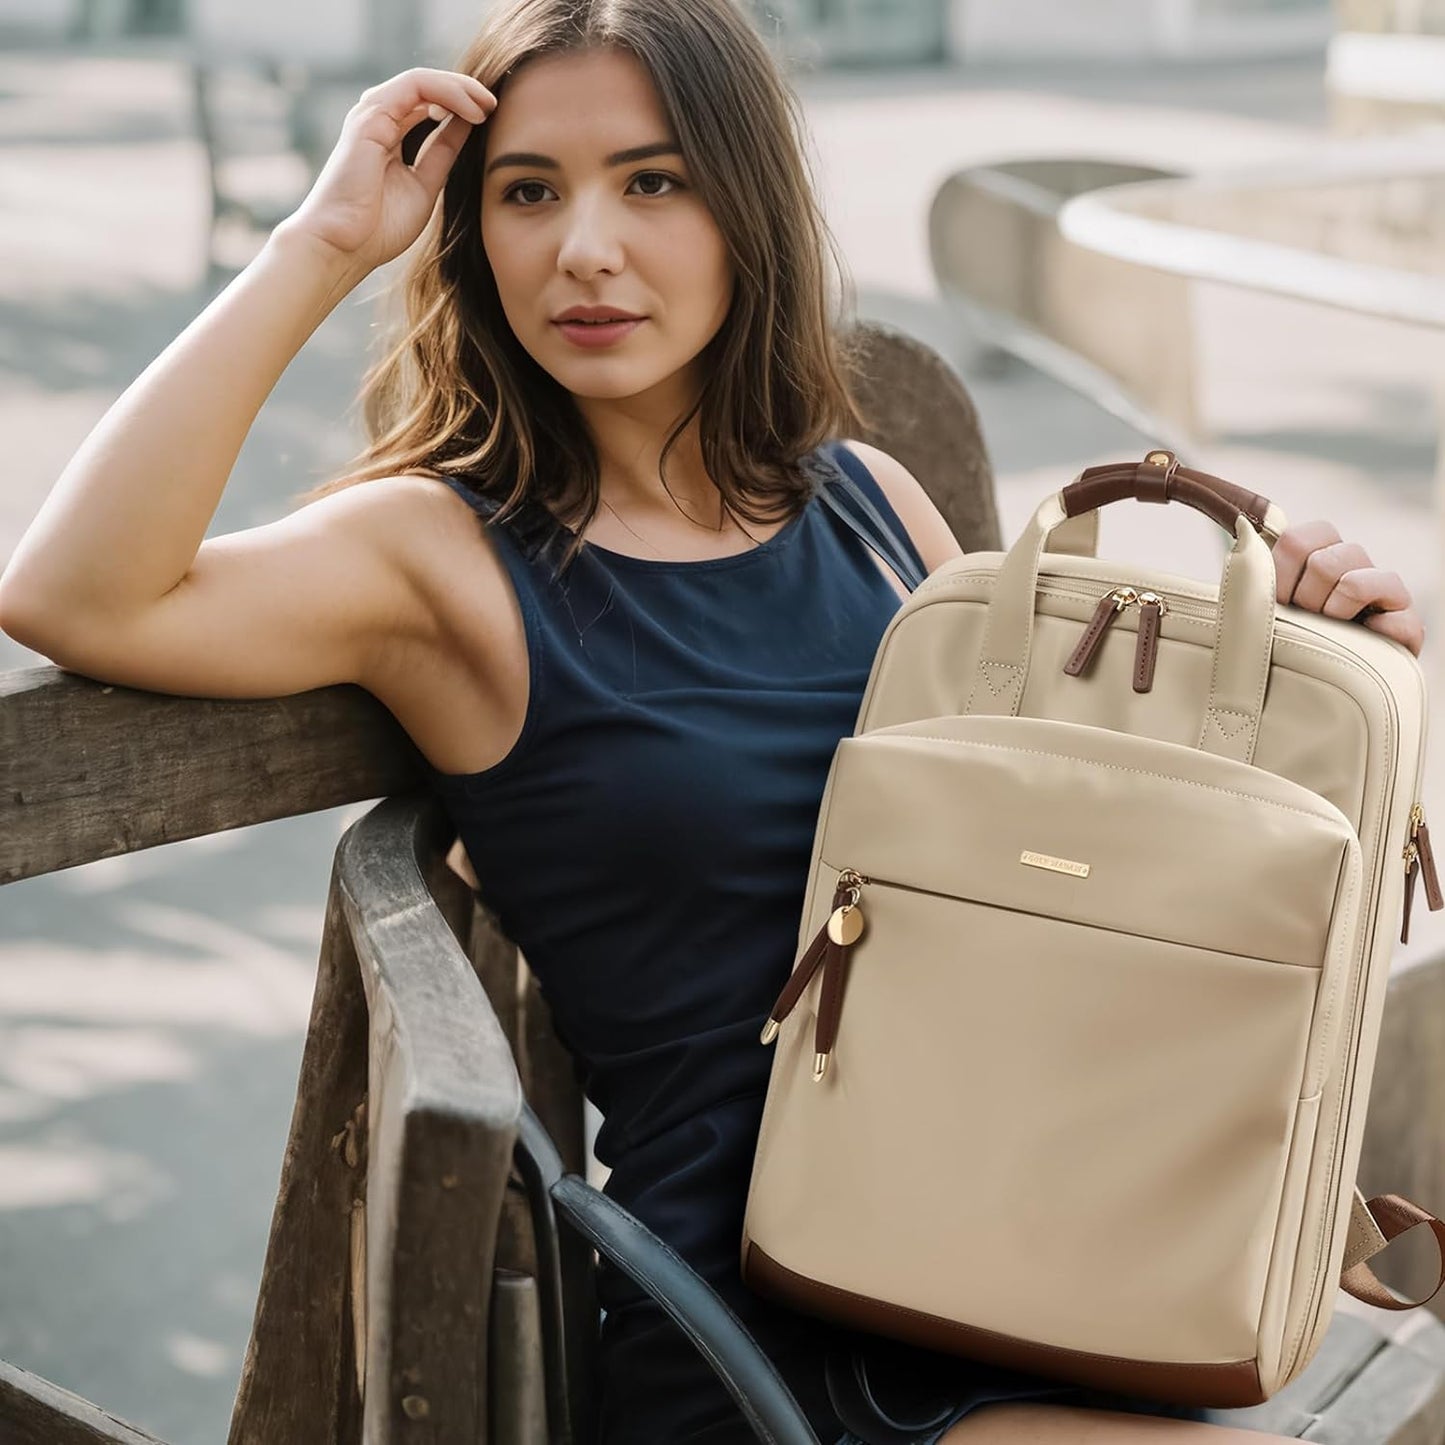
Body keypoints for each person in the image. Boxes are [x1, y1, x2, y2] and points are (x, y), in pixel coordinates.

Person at [0, 0, 1425, 1439]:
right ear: (470, 233)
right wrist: (316, 245)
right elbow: (76, 592)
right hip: (781, 1322)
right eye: (528, 192)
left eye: (653, 180)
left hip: (1036, 1249)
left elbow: (1077, 862)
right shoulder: (441, 554)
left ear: (747, 210)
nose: (585, 249)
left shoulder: (871, 505)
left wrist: (1313, 656)